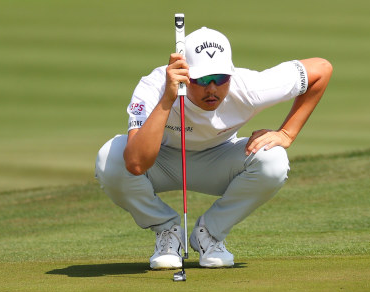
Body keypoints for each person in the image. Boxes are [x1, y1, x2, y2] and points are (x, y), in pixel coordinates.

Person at [95, 27, 332, 269]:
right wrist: (168, 98)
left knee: (274, 160)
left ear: (231, 74)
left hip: (219, 162)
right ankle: (168, 232)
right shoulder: (154, 87)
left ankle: (209, 234)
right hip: (160, 162)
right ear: (185, 75)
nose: (212, 89)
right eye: (202, 80)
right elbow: (136, 163)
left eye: (220, 79)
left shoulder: (248, 87)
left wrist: (286, 133)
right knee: (109, 158)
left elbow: (321, 69)